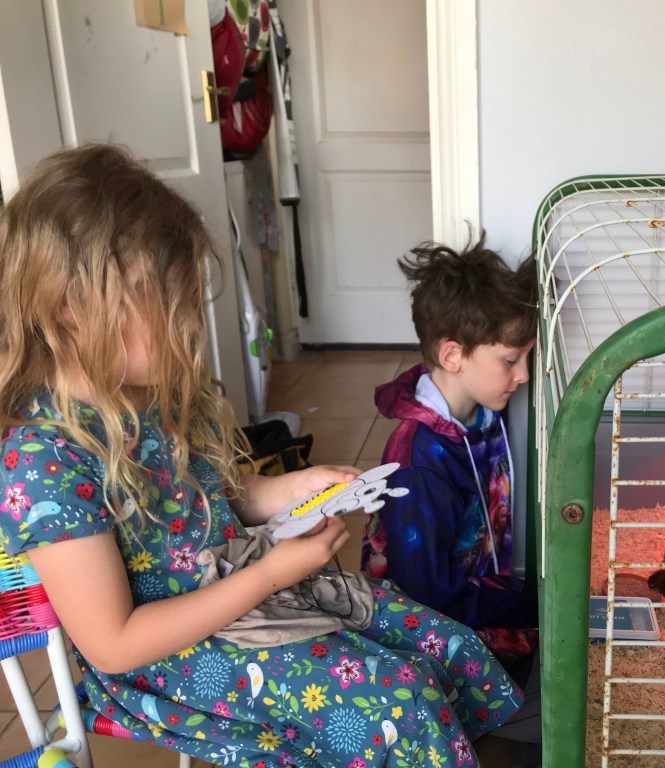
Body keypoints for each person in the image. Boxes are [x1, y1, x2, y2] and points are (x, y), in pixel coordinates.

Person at [0, 144, 522, 768]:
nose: (191, 324)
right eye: (170, 307)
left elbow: (217, 494)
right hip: (170, 658)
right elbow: (115, 644)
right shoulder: (45, 460)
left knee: (445, 642)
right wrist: (272, 575)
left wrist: (297, 488)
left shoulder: (153, 395)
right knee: (398, 702)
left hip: (246, 594)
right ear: (72, 306)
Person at [361, 233, 542, 761]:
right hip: (422, 634)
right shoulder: (420, 464)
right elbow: (426, 594)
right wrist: (527, 603)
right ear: (453, 355)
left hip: (474, 594)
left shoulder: (479, 411)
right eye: (511, 360)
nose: (523, 375)